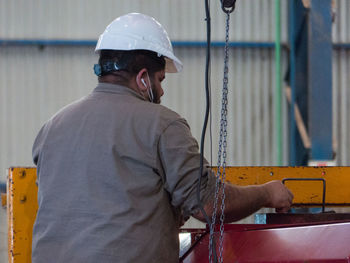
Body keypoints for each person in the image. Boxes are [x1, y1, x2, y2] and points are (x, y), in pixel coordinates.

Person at [32, 13, 293, 263]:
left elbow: (96, 203)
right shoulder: (162, 125)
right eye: (160, 79)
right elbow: (210, 205)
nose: (162, 90)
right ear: (143, 78)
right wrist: (267, 193)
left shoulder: (51, 128)